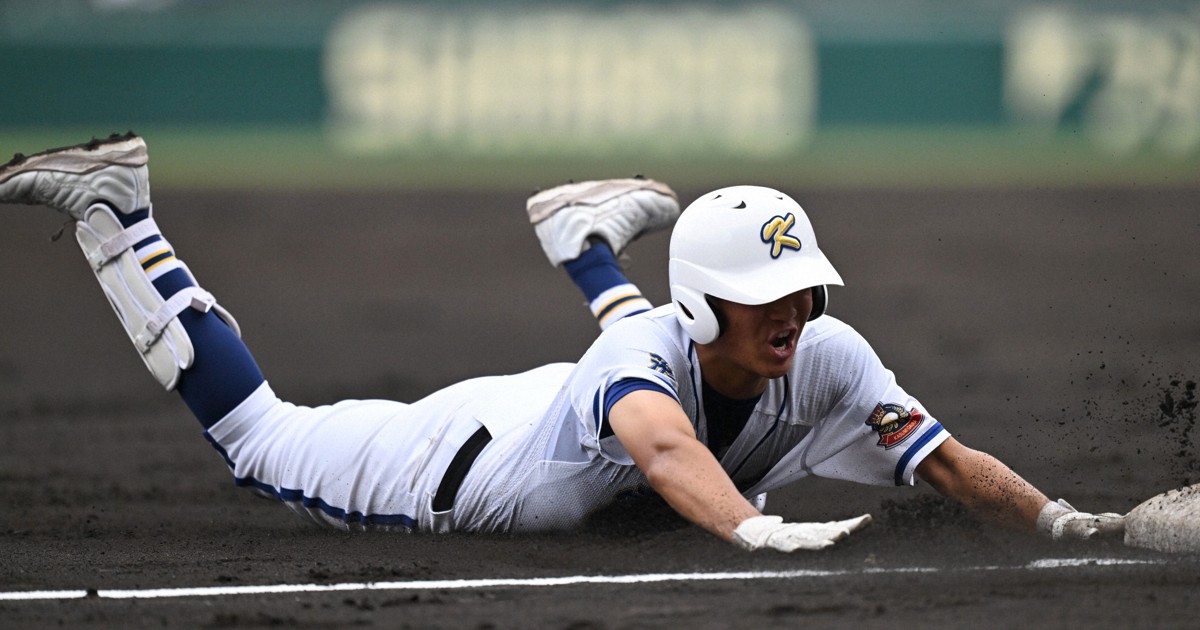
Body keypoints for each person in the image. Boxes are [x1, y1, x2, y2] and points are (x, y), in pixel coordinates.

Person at [0, 133, 1124, 551]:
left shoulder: (820, 355)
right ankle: (121, 211)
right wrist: (760, 534)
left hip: (584, 389)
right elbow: (668, 450)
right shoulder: (647, 369)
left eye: (801, 291)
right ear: (710, 298)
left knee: (660, 359)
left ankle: (582, 238)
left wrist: (1071, 519)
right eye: (764, 295)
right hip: (464, 465)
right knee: (258, 438)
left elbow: (946, 458)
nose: (792, 313)